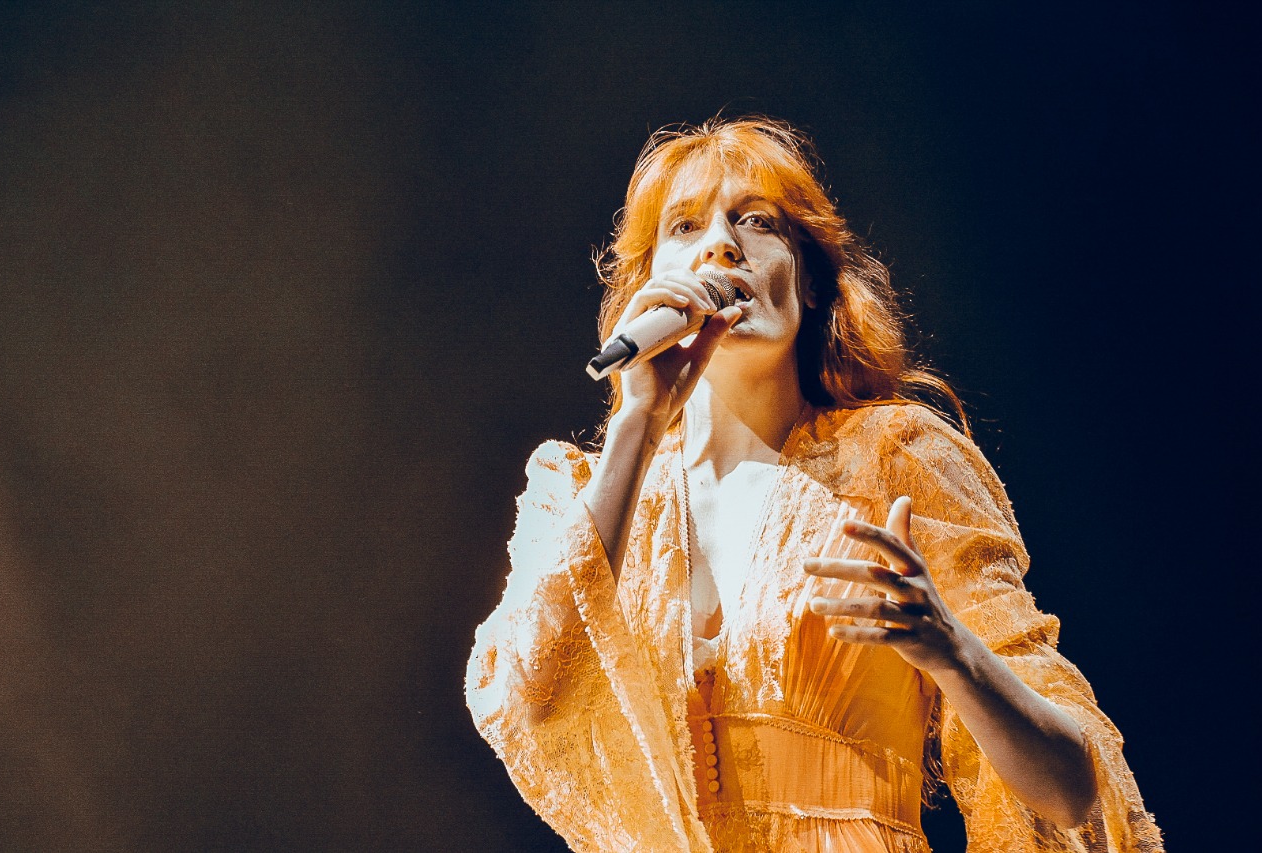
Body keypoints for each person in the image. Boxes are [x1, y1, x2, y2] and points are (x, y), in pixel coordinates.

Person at [465, 116, 1162, 852]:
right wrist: (638, 420)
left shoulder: (898, 456)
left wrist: (952, 650)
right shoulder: (586, 496)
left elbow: (1071, 790)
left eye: (757, 221)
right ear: (646, 286)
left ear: (808, 279)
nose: (721, 244)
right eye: (686, 225)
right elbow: (528, 701)